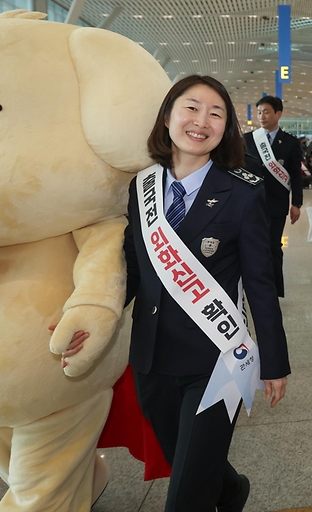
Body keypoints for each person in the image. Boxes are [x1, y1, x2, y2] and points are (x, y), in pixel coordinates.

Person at [122, 75, 290, 511]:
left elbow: (260, 282)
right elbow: (133, 272)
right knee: (189, 463)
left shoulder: (242, 191)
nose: (202, 121)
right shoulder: (142, 189)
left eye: (216, 113)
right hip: (151, 358)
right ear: (167, 116)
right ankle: (232, 490)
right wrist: (92, 320)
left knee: (185, 499)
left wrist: (274, 361)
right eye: (191, 108)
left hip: (217, 362)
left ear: (227, 128)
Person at [243, 95, 303, 298]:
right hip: (250, 203)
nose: (261, 116)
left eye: (266, 111)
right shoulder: (248, 140)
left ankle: (275, 289)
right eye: (259, 112)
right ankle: (253, 287)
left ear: (278, 114)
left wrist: (296, 203)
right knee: (252, 246)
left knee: (273, 246)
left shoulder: (291, 143)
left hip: (277, 204)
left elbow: (295, 175)